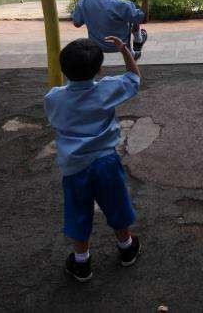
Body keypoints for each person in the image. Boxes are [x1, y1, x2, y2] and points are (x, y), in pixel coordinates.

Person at [44, 36, 142, 282]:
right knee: (116, 203)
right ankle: (127, 247)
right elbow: (134, 78)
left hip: (74, 166)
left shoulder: (53, 98)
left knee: (78, 211)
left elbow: (55, 120)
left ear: (62, 67)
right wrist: (124, 51)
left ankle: (81, 262)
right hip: (105, 162)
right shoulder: (107, 89)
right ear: (99, 69)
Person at [72, 0, 149, 59]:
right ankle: (137, 42)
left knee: (130, 13)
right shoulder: (123, 5)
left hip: (96, 46)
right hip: (120, 45)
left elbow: (77, 23)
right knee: (134, 14)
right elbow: (144, 19)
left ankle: (137, 42)